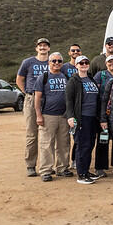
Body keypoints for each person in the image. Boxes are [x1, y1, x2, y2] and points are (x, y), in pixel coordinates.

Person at [33, 51, 70, 182]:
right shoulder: (43, 77)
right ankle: (46, 171)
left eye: (59, 61)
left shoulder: (66, 77)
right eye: (54, 61)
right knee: (46, 144)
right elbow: (37, 98)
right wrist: (38, 115)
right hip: (48, 115)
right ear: (49, 62)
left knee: (64, 143)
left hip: (64, 116)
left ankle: (62, 168)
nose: (56, 63)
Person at [17, 37, 50, 177]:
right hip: (31, 98)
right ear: (36, 48)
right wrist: (27, 93)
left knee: (48, 134)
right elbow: (19, 79)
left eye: (45, 45)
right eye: (40, 45)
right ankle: (30, 165)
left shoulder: (53, 62)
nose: (42, 47)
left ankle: (47, 165)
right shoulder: (28, 62)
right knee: (32, 134)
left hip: (48, 100)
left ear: (49, 48)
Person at [65, 55, 101, 184]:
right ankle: (81, 174)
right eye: (81, 63)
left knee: (90, 144)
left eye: (86, 62)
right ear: (76, 65)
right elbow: (69, 100)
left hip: (92, 117)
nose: (84, 65)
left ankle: (86, 170)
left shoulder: (91, 79)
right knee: (82, 145)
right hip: (81, 117)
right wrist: (70, 117)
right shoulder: (73, 81)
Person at [92, 55, 113, 177]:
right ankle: (100, 167)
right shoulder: (101, 75)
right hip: (104, 113)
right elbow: (95, 91)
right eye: (109, 61)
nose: (112, 63)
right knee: (103, 140)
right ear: (106, 63)